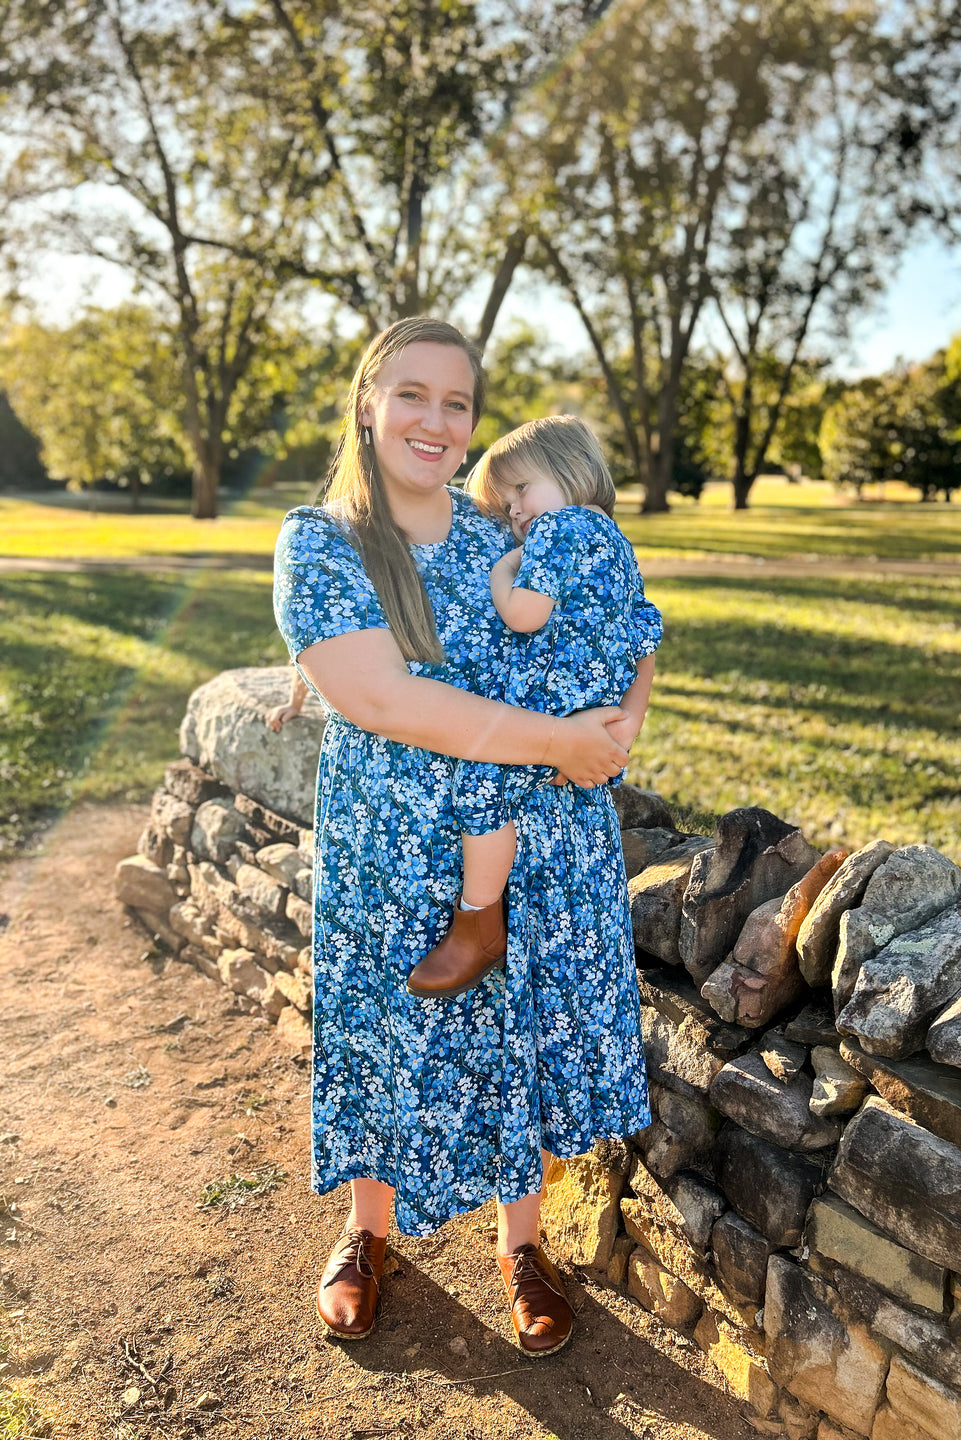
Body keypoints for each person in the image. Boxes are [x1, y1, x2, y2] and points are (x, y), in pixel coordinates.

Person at [272, 316, 659, 1358]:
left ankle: (521, 1247)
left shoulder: (508, 533)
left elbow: (622, 616)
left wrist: (621, 719)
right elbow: (385, 699)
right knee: (383, 1024)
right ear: (369, 402)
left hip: (536, 830)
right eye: (413, 395)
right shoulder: (323, 540)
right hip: (392, 840)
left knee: (515, 1035)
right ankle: (366, 1234)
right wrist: (558, 738)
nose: (435, 421)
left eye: (458, 403)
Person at [406, 415, 660, 999]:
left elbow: (524, 615)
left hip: (549, 699)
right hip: (597, 705)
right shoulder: (617, 545)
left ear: (571, 473)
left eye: (520, 491)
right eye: (505, 504)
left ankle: (478, 921)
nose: (515, 512)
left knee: (482, 780)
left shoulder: (557, 531)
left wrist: (503, 573)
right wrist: (626, 726)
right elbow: (644, 632)